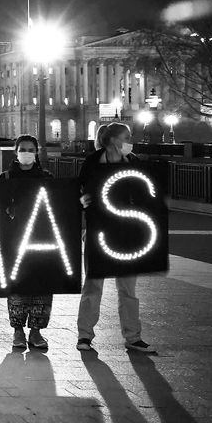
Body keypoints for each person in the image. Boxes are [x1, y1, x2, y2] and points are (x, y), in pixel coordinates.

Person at [76, 121, 156, 354]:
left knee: (128, 289)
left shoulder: (134, 163)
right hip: (99, 231)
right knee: (93, 286)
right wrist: (82, 202)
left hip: (127, 233)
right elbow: (80, 191)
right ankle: (85, 335)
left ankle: (133, 337)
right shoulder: (92, 162)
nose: (131, 141)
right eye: (127, 136)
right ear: (113, 140)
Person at [0, 134, 53, 350]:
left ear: (36, 152)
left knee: (41, 285)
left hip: (42, 239)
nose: (27, 153)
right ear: (16, 152)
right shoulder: (7, 178)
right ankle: (18, 331)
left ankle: (36, 331)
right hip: (15, 240)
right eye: (23, 149)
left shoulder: (47, 178)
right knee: (18, 287)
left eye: (31, 149)